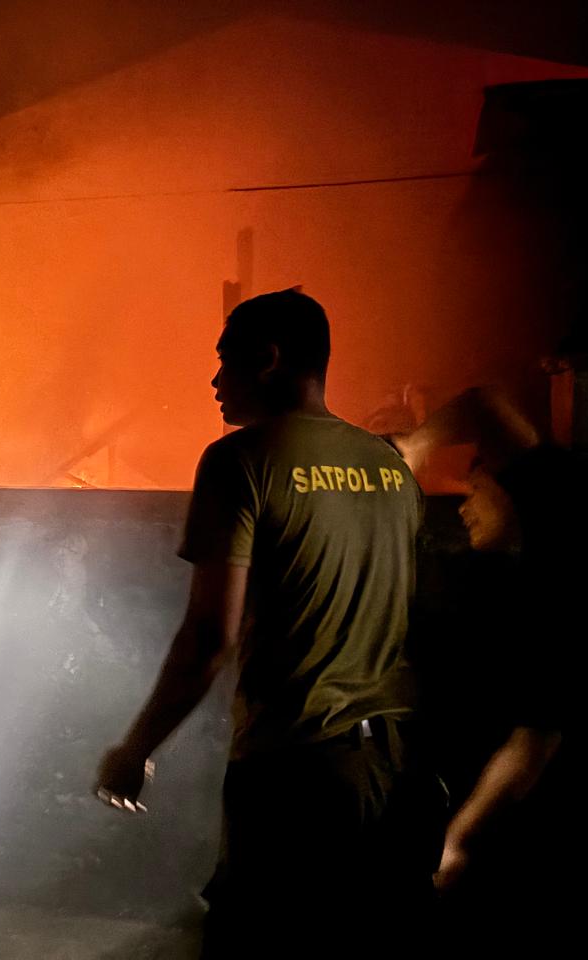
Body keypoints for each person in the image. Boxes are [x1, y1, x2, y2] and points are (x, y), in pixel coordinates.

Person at [95, 289, 443, 959]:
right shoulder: (390, 468)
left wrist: (136, 748)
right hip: (397, 771)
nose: (215, 380)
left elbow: (209, 638)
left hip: (297, 776)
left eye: (225, 360)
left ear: (269, 359)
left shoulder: (240, 461)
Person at [403, 387, 588, 958]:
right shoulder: (528, 575)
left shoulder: (573, 545)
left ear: (513, 489)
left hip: (563, 833)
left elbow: (535, 739)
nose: (464, 508)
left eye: (476, 490)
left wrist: (414, 446)